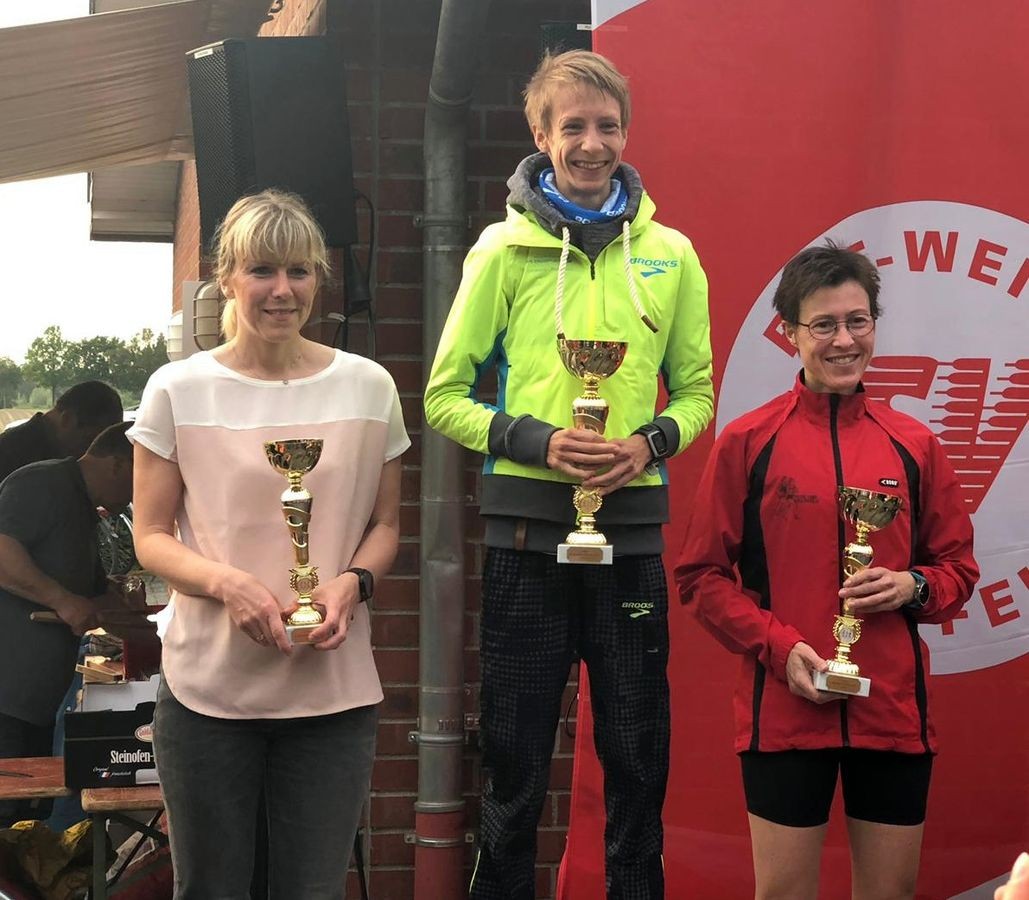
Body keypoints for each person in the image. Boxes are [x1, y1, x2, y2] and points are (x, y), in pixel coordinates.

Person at [425, 50, 713, 899]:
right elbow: (443, 397)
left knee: (637, 759)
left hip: (629, 536)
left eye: (607, 126)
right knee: (513, 761)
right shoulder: (499, 251)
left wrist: (648, 445)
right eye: (573, 127)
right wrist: (536, 442)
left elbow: (697, 392)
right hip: (524, 536)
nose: (592, 144)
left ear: (627, 133)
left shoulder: (672, 254)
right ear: (540, 134)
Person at [675, 242, 979, 900]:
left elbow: (956, 569)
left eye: (857, 321)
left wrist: (912, 586)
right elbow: (700, 577)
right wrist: (780, 649)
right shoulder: (748, 441)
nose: (844, 340)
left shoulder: (915, 444)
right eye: (823, 325)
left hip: (891, 712)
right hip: (784, 710)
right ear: (789, 333)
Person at [129, 189, 408, 899]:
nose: (282, 290)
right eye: (261, 270)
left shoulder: (369, 386)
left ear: (318, 278)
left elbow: (385, 526)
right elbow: (150, 538)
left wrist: (351, 584)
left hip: (331, 696)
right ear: (227, 278)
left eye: (299, 271)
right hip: (208, 695)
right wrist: (226, 584)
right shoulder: (177, 390)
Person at [0, 421, 135, 826]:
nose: (139, 494)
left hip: (38, 701)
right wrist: (61, 600)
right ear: (117, 464)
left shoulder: (84, 506)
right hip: (7, 699)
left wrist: (121, 605)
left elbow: (89, 595)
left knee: (29, 818)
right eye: (140, 479)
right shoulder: (42, 482)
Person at [0, 380, 122, 484]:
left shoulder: (18, 447)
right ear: (67, 419)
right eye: (88, 441)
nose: (89, 454)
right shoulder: (12, 454)